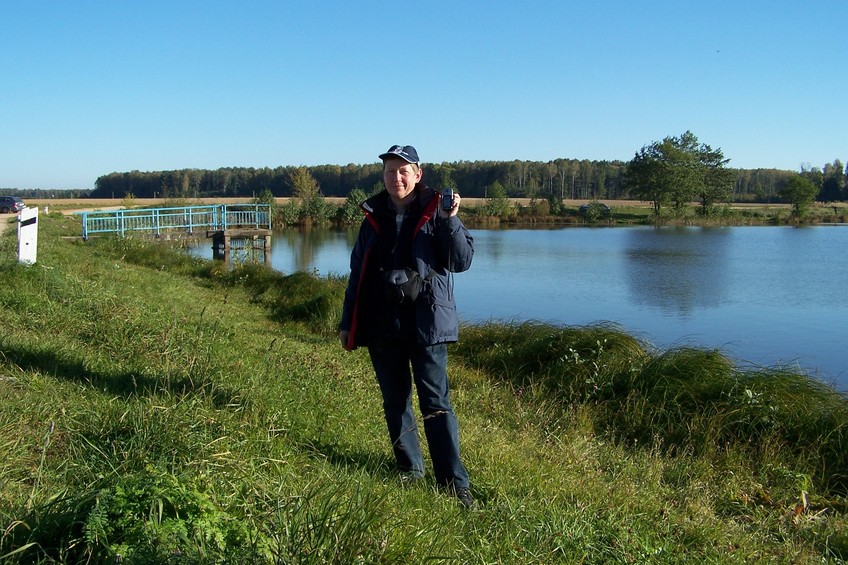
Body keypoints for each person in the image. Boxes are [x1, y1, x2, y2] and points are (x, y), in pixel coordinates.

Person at [338, 144, 476, 509]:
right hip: (384, 323)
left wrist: (450, 220)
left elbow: (461, 261)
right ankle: (409, 470)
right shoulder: (374, 215)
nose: (396, 178)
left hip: (427, 325)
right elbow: (358, 274)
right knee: (395, 402)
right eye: (389, 171)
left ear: (418, 174)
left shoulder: (436, 212)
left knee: (436, 404)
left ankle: (454, 484)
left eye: (403, 171)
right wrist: (346, 321)